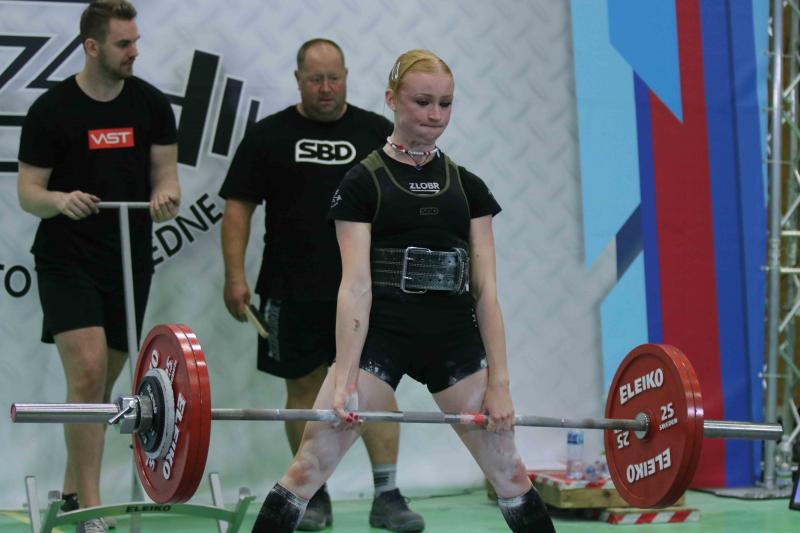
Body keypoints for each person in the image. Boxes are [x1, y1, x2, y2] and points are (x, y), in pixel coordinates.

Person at [251, 49, 557, 533]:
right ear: (392, 100)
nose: (435, 115)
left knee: (510, 472)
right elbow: (355, 286)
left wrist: (500, 384)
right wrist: (345, 381)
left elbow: (485, 293)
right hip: (382, 340)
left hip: (453, 342)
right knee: (308, 467)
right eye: (422, 102)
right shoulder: (361, 183)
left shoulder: (469, 188)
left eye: (445, 103)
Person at [219, 39, 424, 532]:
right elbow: (238, 207)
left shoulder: (377, 134)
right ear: (298, 80)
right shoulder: (268, 136)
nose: (326, 88)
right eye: (315, 79)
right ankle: (311, 495)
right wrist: (234, 275)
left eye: (334, 78)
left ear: (347, 76)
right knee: (305, 389)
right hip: (290, 288)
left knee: (374, 388)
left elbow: (412, 200)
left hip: (368, 291)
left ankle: (388, 495)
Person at [16, 1, 180, 532]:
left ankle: (70, 492)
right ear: (91, 47)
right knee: (86, 372)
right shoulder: (52, 110)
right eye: (123, 44)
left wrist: (166, 196)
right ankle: (91, 508)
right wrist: (59, 200)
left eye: (135, 42)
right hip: (67, 256)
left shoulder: (151, 104)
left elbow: (166, 176)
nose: (134, 52)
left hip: (127, 257)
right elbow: (28, 192)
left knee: (101, 383)